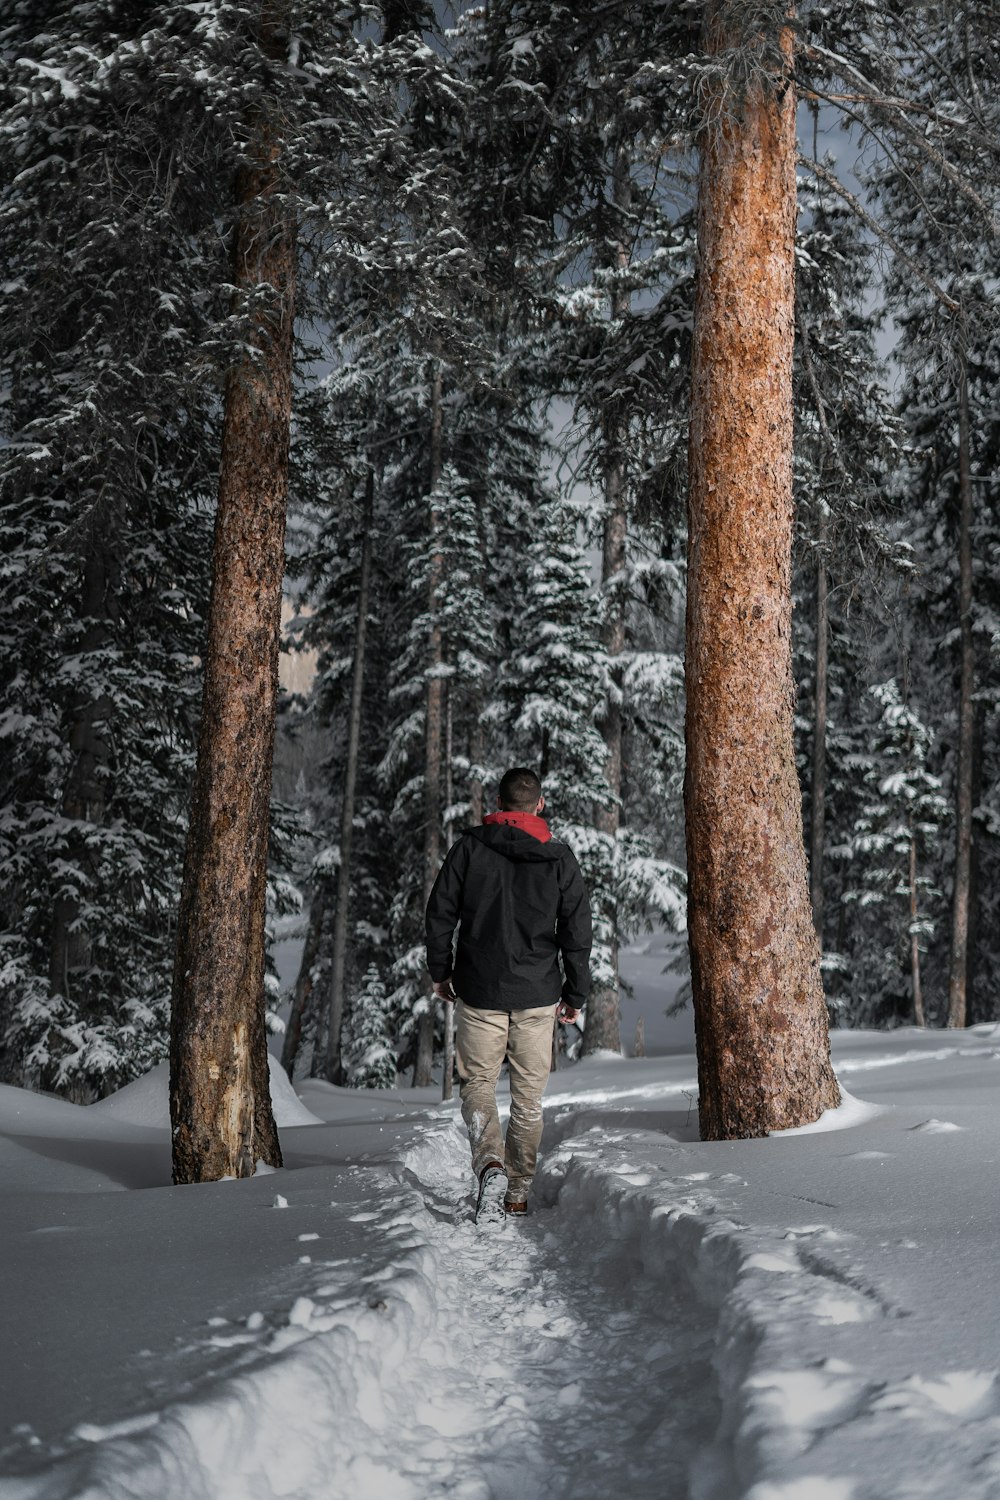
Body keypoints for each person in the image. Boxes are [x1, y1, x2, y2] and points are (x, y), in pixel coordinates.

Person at [425, 766, 593, 1216]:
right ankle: (516, 1193)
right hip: (537, 995)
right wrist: (575, 995)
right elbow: (577, 932)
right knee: (528, 1097)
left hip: (480, 989)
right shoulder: (560, 858)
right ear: (539, 805)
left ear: (498, 805)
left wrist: (440, 973)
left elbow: (439, 914)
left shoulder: (468, 850)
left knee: (478, 1084)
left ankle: (490, 1164)